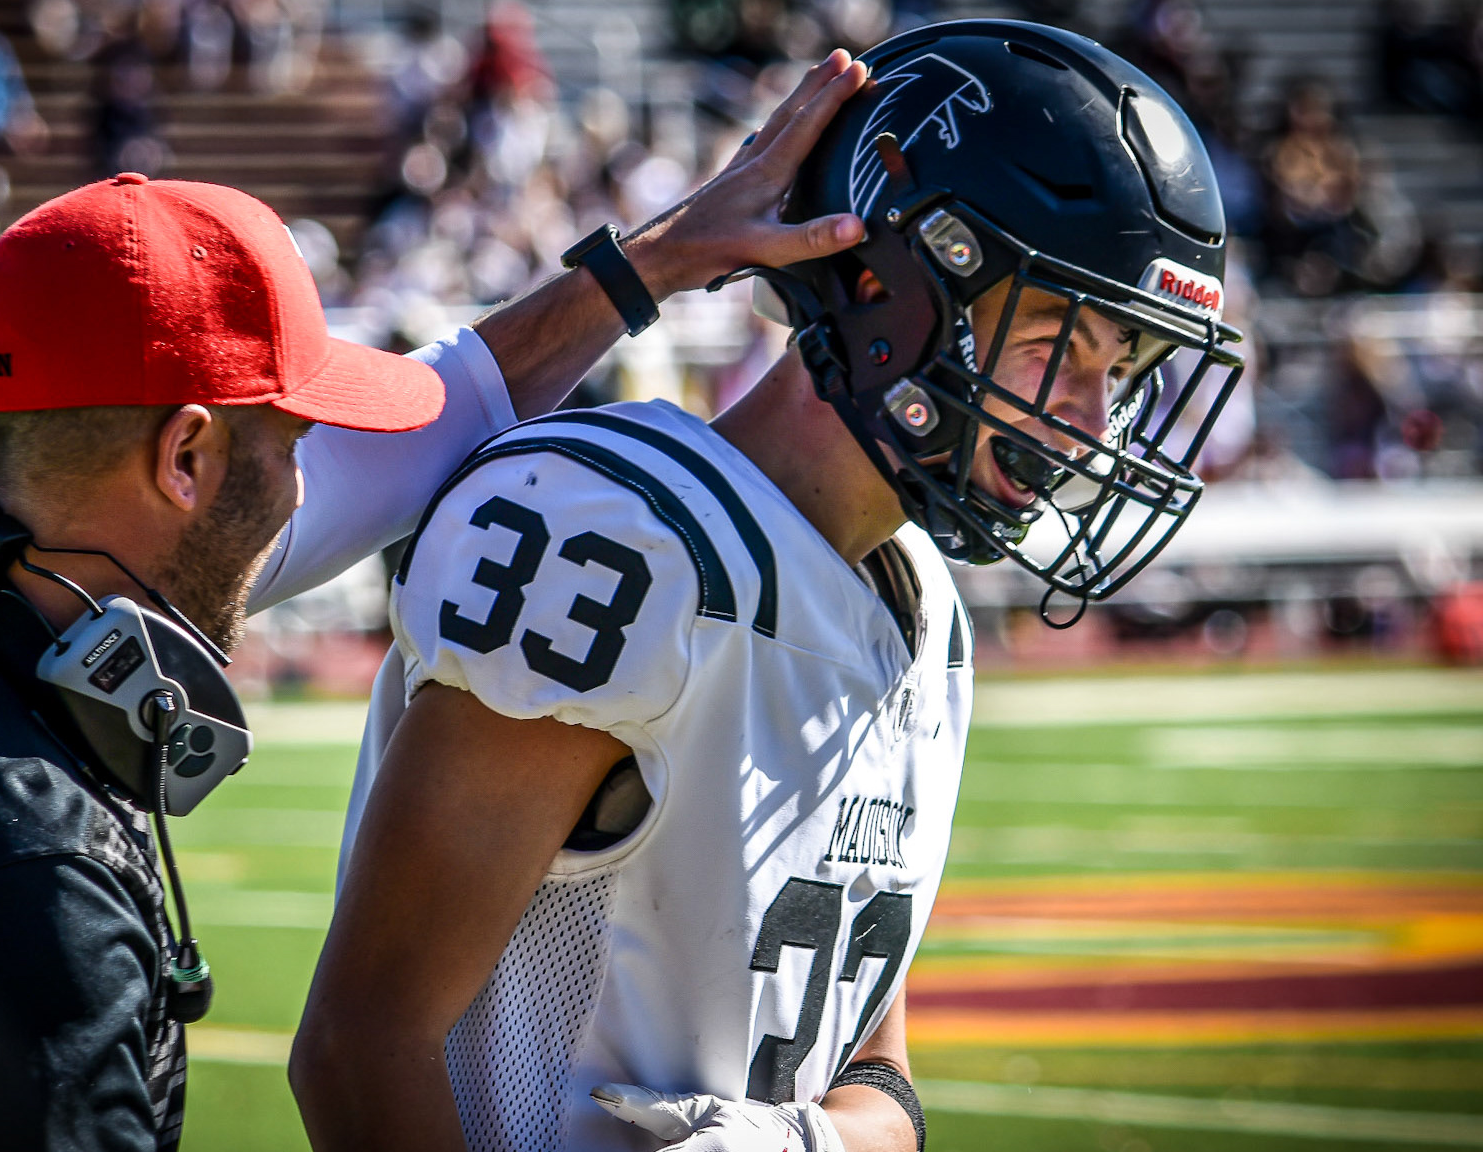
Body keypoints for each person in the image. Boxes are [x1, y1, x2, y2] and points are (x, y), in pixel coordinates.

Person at [0, 52, 874, 1152]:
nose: (308, 477)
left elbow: (432, 416)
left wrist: (650, 261)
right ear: (185, 457)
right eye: (291, 438)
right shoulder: (27, 883)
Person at [293, 20, 1244, 1152]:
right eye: (1053, 345)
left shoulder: (921, 613)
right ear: (889, 289)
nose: (1088, 423)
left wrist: (808, 1143)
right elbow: (361, 1047)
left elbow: (877, 1073)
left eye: (1119, 369)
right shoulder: (621, 538)